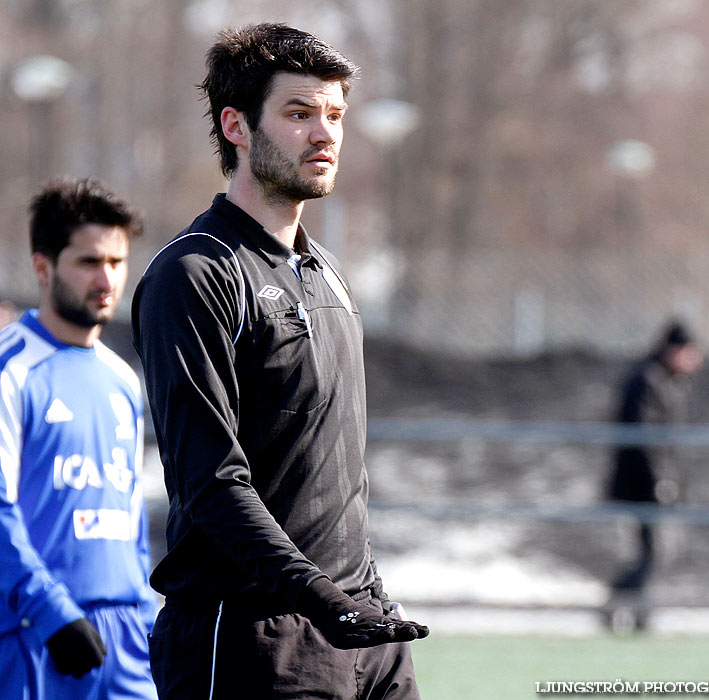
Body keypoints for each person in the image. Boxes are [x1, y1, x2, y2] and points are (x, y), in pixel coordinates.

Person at [131, 22, 428, 700]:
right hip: (250, 637)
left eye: (334, 115)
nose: (324, 134)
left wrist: (367, 594)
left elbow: (336, 469)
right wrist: (318, 595)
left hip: (360, 633)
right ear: (236, 126)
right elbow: (211, 482)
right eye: (298, 114)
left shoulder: (326, 273)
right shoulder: (196, 273)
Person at [0, 177, 157, 699]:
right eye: (89, 262)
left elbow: (130, 519)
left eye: (116, 262)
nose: (107, 279)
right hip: (40, 639)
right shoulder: (11, 371)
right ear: (43, 267)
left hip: (126, 643)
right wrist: (49, 612)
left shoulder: (123, 381)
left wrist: (147, 619)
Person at [606, 320, 703, 630]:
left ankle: (630, 609)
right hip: (641, 486)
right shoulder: (648, 380)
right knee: (652, 552)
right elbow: (644, 436)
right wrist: (660, 480)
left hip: (654, 485)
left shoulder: (668, 381)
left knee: (653, 553)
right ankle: (627, 609)